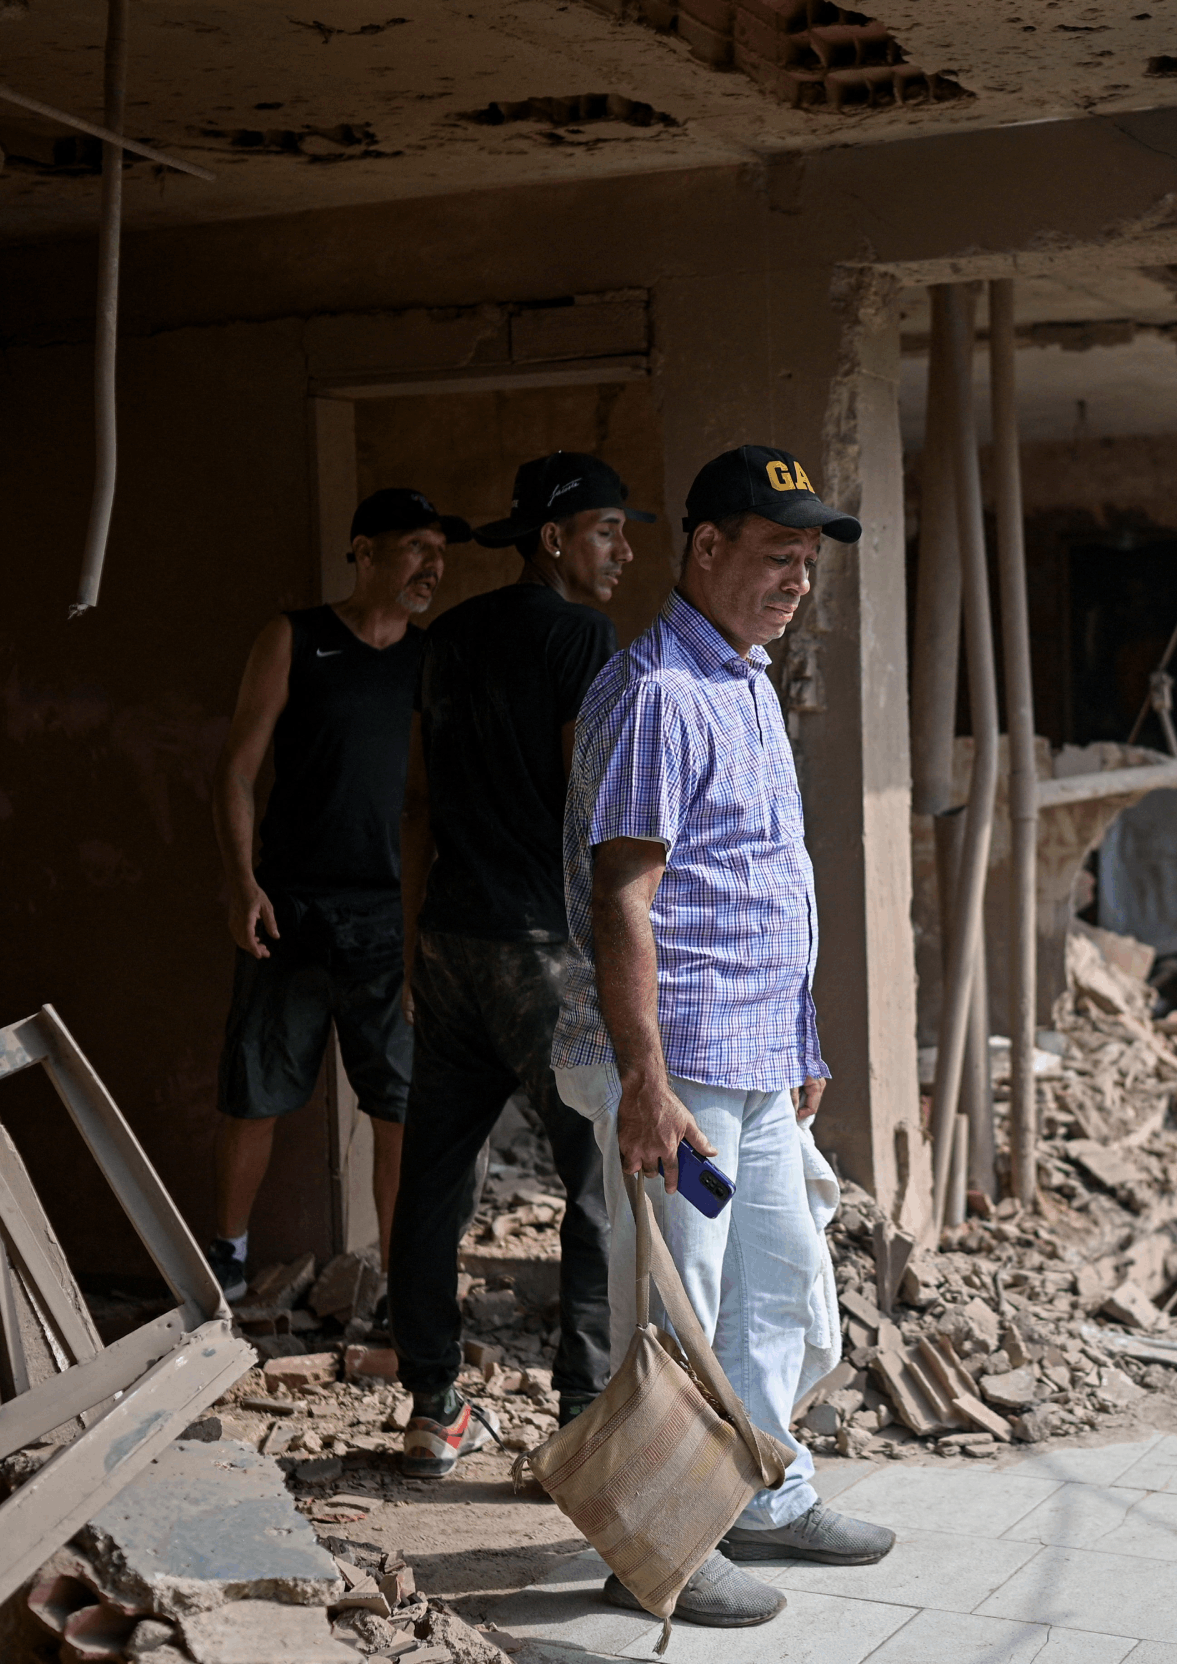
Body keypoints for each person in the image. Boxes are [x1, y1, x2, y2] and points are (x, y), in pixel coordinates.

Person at [552, 446, 895, 1629]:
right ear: (706, 547)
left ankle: (765, 1496)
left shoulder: (741, 678)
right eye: (779, 555)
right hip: (684, 1069)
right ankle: (664, 1543)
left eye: (808, 561)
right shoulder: (656, 692)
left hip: (753, 1059)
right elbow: (623, 895)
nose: (798, 580)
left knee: (780, 1283)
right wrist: (644, 1080)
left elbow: (762, 878)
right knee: (678, 1307)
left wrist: (803, 1037)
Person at [387, 452, 653, 1479]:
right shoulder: (581, 637)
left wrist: (415, 941)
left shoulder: (447, 636)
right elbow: (590, 808)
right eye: (605, 531)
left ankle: (431, 1408)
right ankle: (582, 1417)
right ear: (552, 540)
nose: (622, 552)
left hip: (452, 943)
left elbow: (418, 801)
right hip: (546, 952)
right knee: (592, 1183)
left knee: (432, 1183)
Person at [204, 487, 462, 1299]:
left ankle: (399, 1293)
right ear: (364, 551)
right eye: (416, 548)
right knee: (255, 1093)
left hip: (391, 921)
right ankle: (227, 1267)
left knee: (399, 1108)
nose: (432, 566)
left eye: (440, 553)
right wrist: (242, 884)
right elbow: (236, 770)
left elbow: (441, 798)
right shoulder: (295, 637)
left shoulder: (431, 660)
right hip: (289, 911)